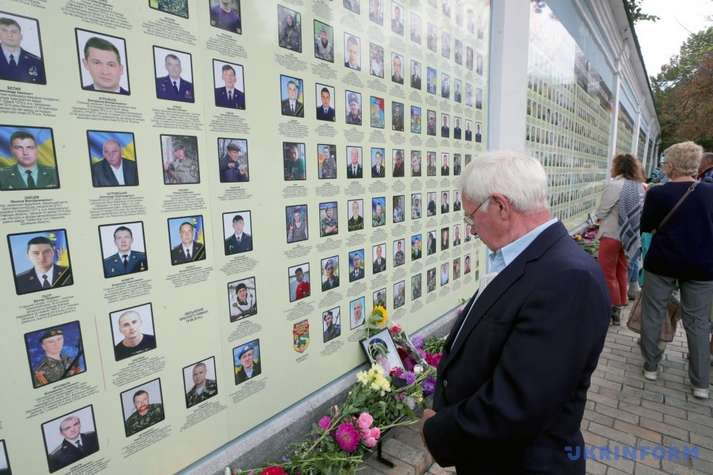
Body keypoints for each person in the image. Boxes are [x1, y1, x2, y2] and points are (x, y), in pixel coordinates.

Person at [420, 151, 610, 474]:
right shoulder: (528, 258)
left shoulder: (568, 279)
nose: (471, 231)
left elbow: (518, 405)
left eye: (471, 217)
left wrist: (437, 433)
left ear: (500, 207)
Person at [640, 142, 713, 400]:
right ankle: (700, 383)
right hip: (702, 266)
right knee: (698, 322)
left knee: (653, 313)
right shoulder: (710, 193)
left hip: (663, 262)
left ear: (671, 165)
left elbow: (647, 226)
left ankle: (651, 366)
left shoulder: (658, 194)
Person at [594, 154, 645, 325]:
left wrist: (599, 217)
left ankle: (611, 308)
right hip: (628, 237)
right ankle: (619, 308)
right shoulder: (638, 186)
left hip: (611, 235)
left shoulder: (615, 185)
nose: (611, 168)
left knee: (607, 273)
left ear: (618, 167)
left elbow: (602, 211)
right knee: (621, 271)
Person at [0, 16, 45, 84]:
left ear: (21, 36)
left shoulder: (37, 62)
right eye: (4, 31)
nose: (9, 35)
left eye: (14, 32)